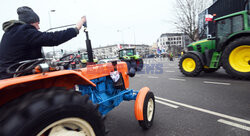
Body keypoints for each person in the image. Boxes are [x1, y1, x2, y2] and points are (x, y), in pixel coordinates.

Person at [0, 6, 86, 80]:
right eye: (37, 24)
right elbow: (53, 38)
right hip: (15, 77)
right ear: (31, 22)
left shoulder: (11, 33)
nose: (38, 27)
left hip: (8, 75)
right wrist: (76, 29)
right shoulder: (24, 32)